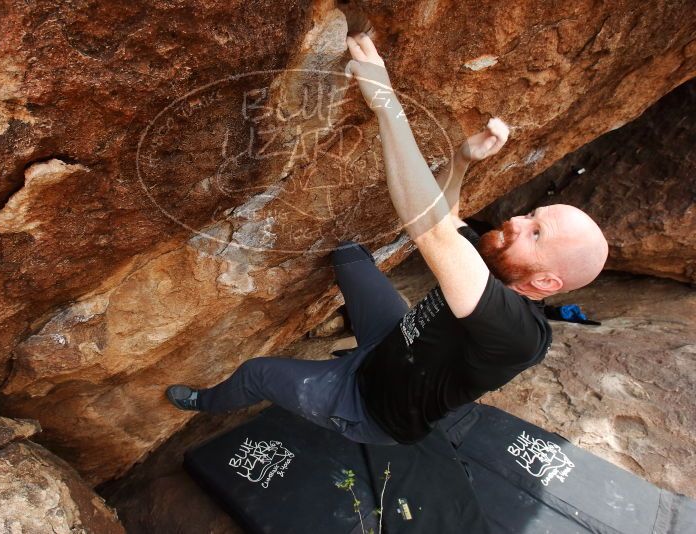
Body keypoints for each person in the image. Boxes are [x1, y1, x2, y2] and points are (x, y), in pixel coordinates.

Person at [166, 33, 608, 445]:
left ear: (548, 283)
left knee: (256, 373)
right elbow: (447, 214)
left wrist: (385, 102)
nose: (514, 220)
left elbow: (431, 229)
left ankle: (202, 403)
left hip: (369, 406)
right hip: (393, 343)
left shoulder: (518, 334)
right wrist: (462, 158)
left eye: (534, 231)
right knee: (350, 257)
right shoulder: (495, 260)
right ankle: (349, 337)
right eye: (530, 213)